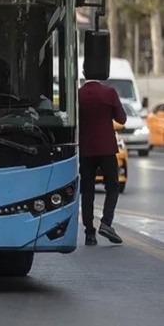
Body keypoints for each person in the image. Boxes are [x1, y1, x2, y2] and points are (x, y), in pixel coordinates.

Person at [79, 75, 127, 246]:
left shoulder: (78, 95)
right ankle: (106, 223)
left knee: (87, 191)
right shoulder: (109, 92)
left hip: (85, 150)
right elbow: (122, 119)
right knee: (112, 187)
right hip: (107, 149)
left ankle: (89, 233)